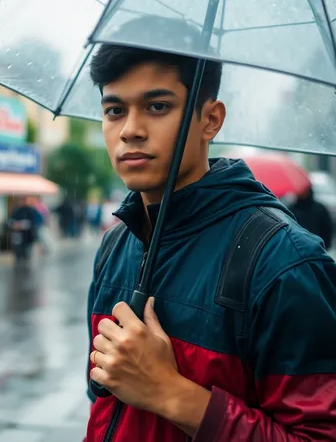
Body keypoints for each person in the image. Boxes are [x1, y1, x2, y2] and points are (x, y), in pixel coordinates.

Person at [85, 36, 336, 441]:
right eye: (114, 110)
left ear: (211, 119)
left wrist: (172, 394)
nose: (130, 130)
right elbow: (104, 402)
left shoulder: (283, 262)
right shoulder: (115, 246)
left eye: (157, 106)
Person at [289, 185, 333, 250]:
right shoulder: (292, 209)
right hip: (297, 249)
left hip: (317, 248)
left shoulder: (320, 209)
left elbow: (327, 229)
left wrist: (324, 246)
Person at [8, 196, 42, 262]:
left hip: (28, 236)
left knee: (26, 254)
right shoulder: (17, 210)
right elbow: (10, 221)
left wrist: (24, 225)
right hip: (18, 235)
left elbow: (37, 222)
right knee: (18, 253)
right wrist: (14, 224)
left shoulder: (32, 210)